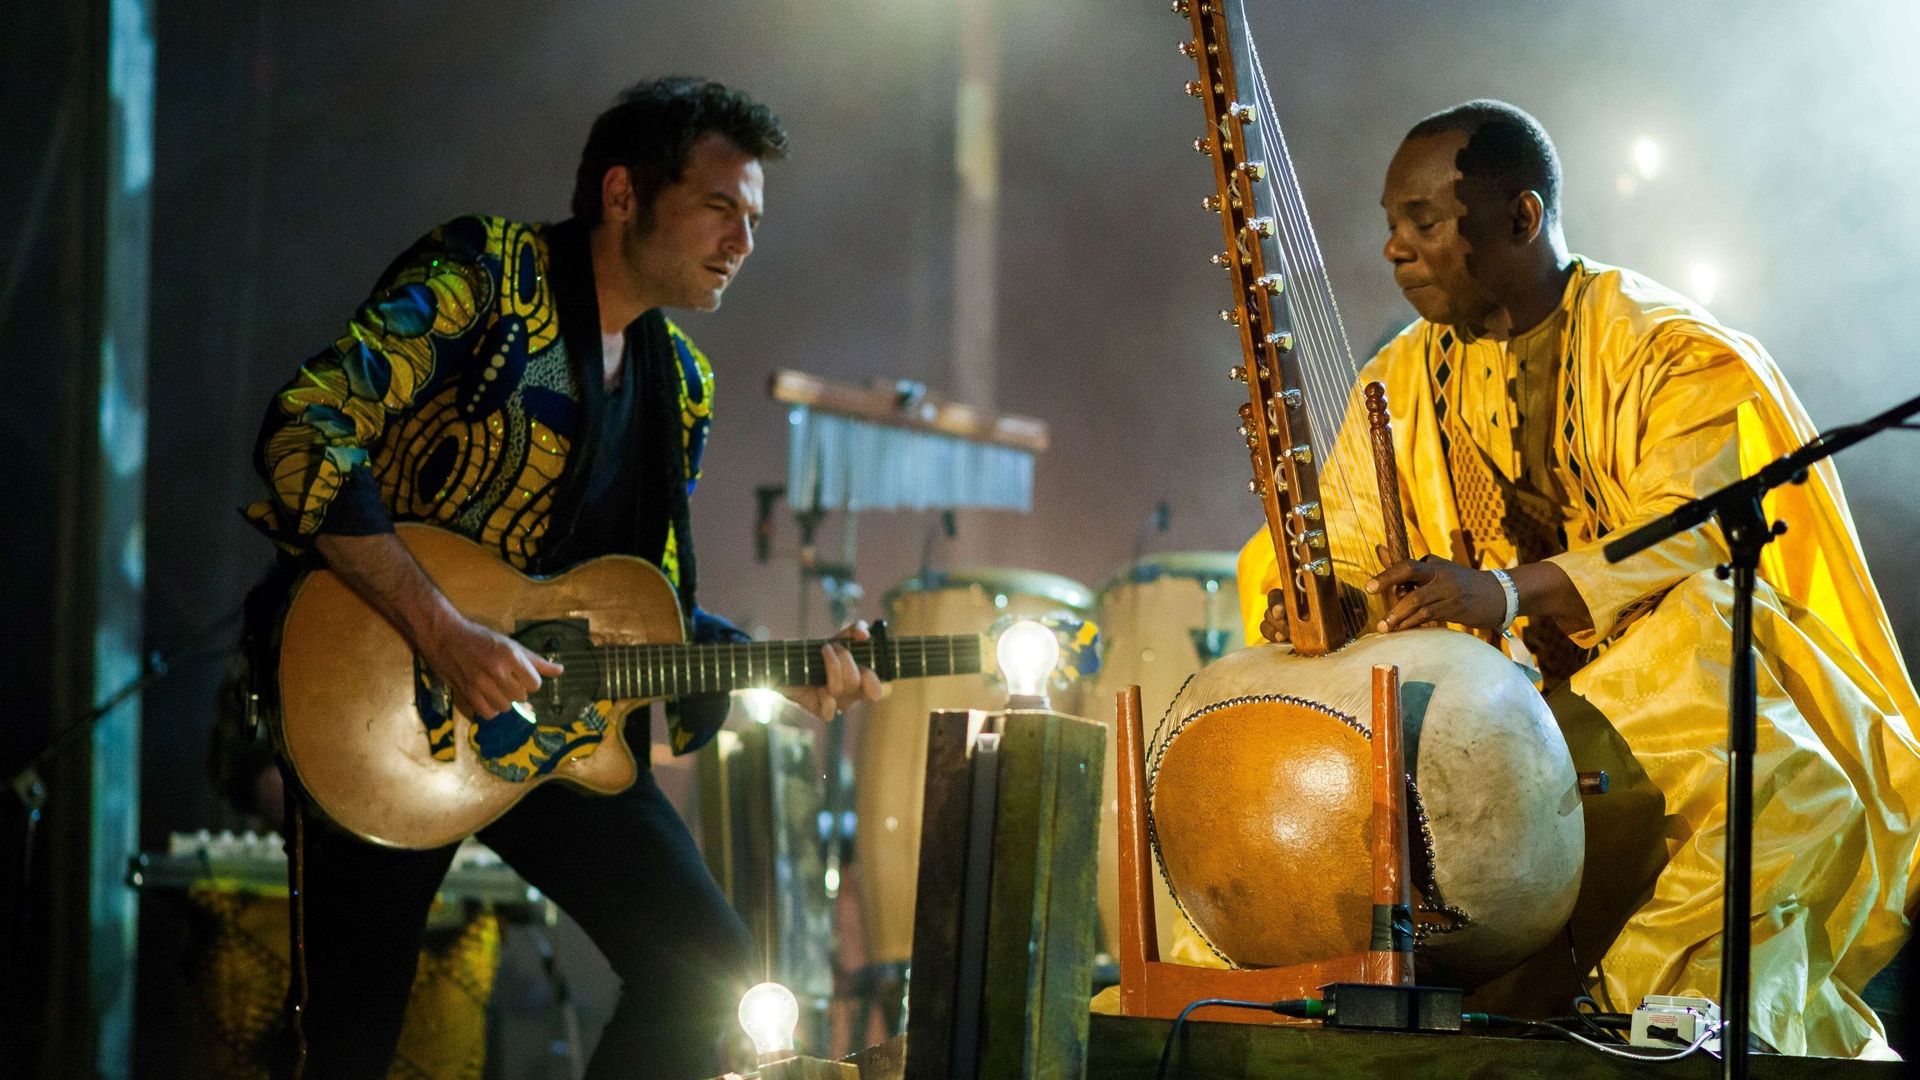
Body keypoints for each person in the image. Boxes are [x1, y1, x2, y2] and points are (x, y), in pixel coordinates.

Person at [1238, 100, 1920, 1058]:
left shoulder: (1670, 351)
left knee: (1745, 709)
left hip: (1646, 677)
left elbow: (1684, 533)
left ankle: (1660, 1027)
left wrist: (1509, 593)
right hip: (1481, 696)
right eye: (1391, 226)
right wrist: (1336, 595)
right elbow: (1350, 537)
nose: (1395, 250)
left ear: (1518, 218)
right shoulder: (1394, 377)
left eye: (1424, 223)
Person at [243, 77, 881, 1078]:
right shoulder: (484, 275)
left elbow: (640, 605)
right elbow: (305, 430)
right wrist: (449, 635)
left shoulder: (685, 386)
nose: (743, 241)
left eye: (753, 219)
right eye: (720, 207)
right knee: (351, 1041)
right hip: (378, 698)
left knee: (707, 967)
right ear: (624, 194)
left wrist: (780, 667)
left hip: (554, 727)